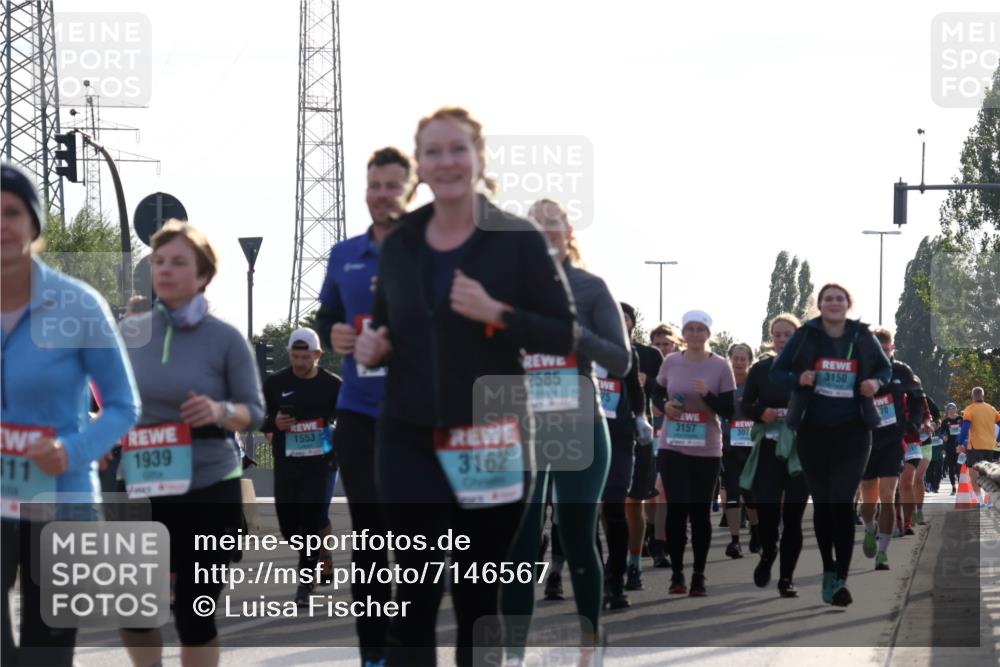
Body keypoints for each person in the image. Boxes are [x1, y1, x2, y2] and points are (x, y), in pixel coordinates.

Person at [354, 107, 577, 666]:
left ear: (479, 158)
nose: (446, 161)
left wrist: (497, 312)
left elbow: (565, 331)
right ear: (420, 167)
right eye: (433, 152)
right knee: (414, 599)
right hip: (407, 438)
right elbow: (385, 321)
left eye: (458, 149)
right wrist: (374, 345)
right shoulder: (403, 239)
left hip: (490, 435)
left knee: (479, 600)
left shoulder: (516, 239)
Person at [1, 163, 141, 666]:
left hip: (61, 497)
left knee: (48, 650)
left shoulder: (79, 304)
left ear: (33, 224)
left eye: (12, 212)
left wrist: (73, 449)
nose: (1, 223)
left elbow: (124, 406)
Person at [118, 220, 265, 667]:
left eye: (179, 262)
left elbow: (253, 411)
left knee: (194, 615)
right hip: (143, 485)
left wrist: (219, 411)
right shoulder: (131, 331)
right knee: (136, 612)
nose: (165, 270)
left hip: (209, 485)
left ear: (203, 274)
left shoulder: (225, 339)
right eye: (159, 261)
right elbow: (105, 398)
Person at [502, 198, 628, 666]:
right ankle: (513, 652)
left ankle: (590, 644)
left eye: (550, 224)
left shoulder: (590, 287)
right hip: (521, 428)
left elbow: (621, 360)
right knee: (518, 544)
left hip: (580, 424)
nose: (542, 231)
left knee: (577, 538)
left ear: (568, 231)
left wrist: (577, 337)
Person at [314, 146, 413, 667]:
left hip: (418, 419)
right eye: (374, 186)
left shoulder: (431, 253)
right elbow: (328, 313)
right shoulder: (344, 252)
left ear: (412, 191)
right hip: (358, 413)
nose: (381, 196)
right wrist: (333, 331)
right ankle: (373, 652)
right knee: (372, 539)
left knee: (416, 539)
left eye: (392, 187)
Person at [770, 283, 891, 607]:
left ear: (847, 304)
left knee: (840, 501)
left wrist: (874, 382)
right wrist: (801, 378)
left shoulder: (861, 336)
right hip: (813, 430)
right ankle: (827, 569)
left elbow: (885, 368)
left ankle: (841, 578)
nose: (834, 303)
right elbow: (777, 372)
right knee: (824, 505)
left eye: (839, 298)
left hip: (853, 431)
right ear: (820, 305)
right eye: (828, 299)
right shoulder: (807, 335)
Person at [652, 310, 735, 597]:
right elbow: (656, 392)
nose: (695, 334)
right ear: (683, 334)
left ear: (708, 334)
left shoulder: (721, 366)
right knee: (676, 508)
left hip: (707, 449)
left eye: (701, 329)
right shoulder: (672, 361)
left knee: (700, 513)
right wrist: (665, 407)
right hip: (672, 445)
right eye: (690, 329)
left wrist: (708, 396)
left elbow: (729, 411)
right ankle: (677, 574)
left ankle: (698, 574)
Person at [261, 327, 341, 604]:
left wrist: (338, 441)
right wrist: (274, 424)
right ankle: (323, 552)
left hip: (321, 463)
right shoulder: (275, 383)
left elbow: (348, 420)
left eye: (305, 357)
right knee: (289, 526)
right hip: (287, 462)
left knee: (311, 519)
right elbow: (260, 415)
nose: (299, 363)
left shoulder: (333, 385)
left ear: (317, 355)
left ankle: (305, 583)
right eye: (294, 357)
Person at [741, 313, 808, 597]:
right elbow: (745, 404)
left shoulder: (808, 370)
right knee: (767, 511)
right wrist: (760, 412)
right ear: (771, 338)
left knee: (793, 518)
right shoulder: (761, 369)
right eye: (777, 335)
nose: (782, 340)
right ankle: (768, 552)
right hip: (769, 448)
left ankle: (786, 579)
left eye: (788, 335)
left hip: (800, 451)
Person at [858, 327, 924, 571]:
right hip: (866, 442)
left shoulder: (901, 371)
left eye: (887, 349)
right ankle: (869, 527)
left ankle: (883, 553)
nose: (883, 354)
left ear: (892, 348)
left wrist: (913, 423)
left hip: (892, 442)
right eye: (878, 349)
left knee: (887, 496)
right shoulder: (861, 371)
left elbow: (918, 396)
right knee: (868, 503)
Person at [597, 304, 646, 606]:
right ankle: (593, 573)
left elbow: (635, 391)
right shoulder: (577, 349)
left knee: (614, 507)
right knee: (584, 512)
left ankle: (615, 580)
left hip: (618, 437)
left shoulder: (625, 352)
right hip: (580, 436)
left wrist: (640, 417)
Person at [620, 302, 660, 593]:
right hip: (600, 432)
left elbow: (665, 387)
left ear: (633, 323)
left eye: (625, 319)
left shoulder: (646, 355)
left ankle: (634, 561)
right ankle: (613, 563)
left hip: (637, 434)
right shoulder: (593, 352)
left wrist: (650, 385)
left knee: (634, 503)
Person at [646, 323, 682, 566]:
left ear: (675, 345)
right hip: (648, 437)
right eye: (656, 345)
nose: (661, 349)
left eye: (665, 344)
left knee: (664, 491)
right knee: (649, 494)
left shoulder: (682, 370)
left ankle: (661, 543)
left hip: (677, 438)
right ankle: (651, 531)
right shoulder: (643, 372)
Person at [720, 342, 760, 558]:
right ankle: (734, 540)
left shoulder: (755, 385)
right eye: (735, 358)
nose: (738, 362)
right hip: (729, 446)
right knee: (732, 493)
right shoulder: (724, 384)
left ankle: (755, 529)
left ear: (749, 361)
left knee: (750, 493)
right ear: (730, 359)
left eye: (743, 358)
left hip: (752, 447)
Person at [957, 387, 1000, 505]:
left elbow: (965, 427)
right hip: (990, 446)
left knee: (973, 474)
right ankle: (990, 501)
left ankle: (980, 502)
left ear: (972, 397)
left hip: (975, 446)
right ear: (983, 396)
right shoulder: (992, 409)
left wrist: (960, 442)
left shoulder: (969, 409)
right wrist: (998, 439)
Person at [940, 402, 963, 494]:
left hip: (959, 446)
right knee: (951, 467)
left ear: (956, 409)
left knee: (959, 466)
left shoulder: (961, 419)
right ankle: (953, 487)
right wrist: (943, 437)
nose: (951, 410)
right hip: (949, 446)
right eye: (949, 409)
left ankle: (962, 485)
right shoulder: (945, 421)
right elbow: (941, 433)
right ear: (947, 411)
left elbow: (966, 430)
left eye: (953, 408)